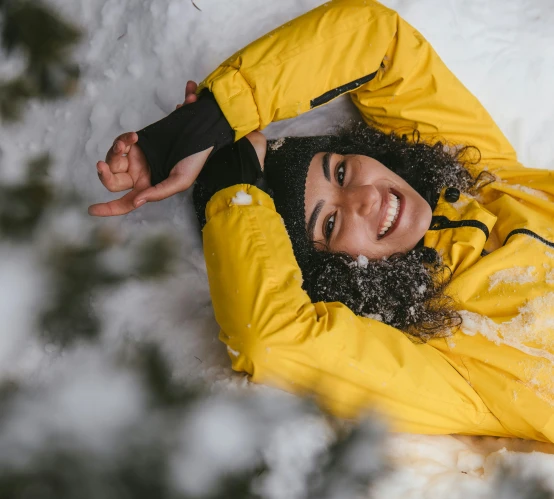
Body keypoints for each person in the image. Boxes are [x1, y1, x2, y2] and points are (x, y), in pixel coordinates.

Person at [89, 0, 554, 443]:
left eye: (343, 171)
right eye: (330, 224)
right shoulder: (456, 364)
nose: (365, 198)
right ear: (339, 277)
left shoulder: (481, 177)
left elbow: (377, 40)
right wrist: (229, 182)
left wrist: (211, 121)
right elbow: (272, 337)